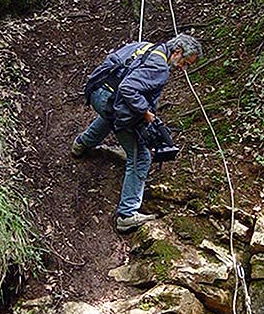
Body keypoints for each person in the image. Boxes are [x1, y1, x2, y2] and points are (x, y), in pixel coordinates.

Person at [72, 33, 202, 233]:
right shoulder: (159, 67)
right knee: (141, 157)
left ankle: (81, 144)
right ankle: (127, 215)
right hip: (111, 100)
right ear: (177, 52)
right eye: (185, 62)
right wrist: (145, 112)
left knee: (112, 117)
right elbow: (128, 88)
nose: (183, 68)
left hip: (98, 91)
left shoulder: (146, 46)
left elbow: (116, 65)